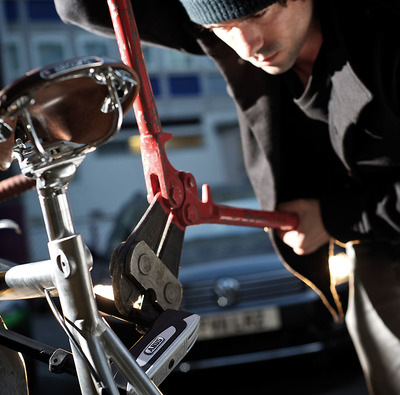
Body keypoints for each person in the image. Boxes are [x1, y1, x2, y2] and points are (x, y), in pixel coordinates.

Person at [54, 0, 400, 393]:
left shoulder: (385, 38)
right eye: (222, 26)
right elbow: (78, 6)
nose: (248, 44)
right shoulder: (227, 35)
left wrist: (336, 218)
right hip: (373, 247)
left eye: (258, 14)